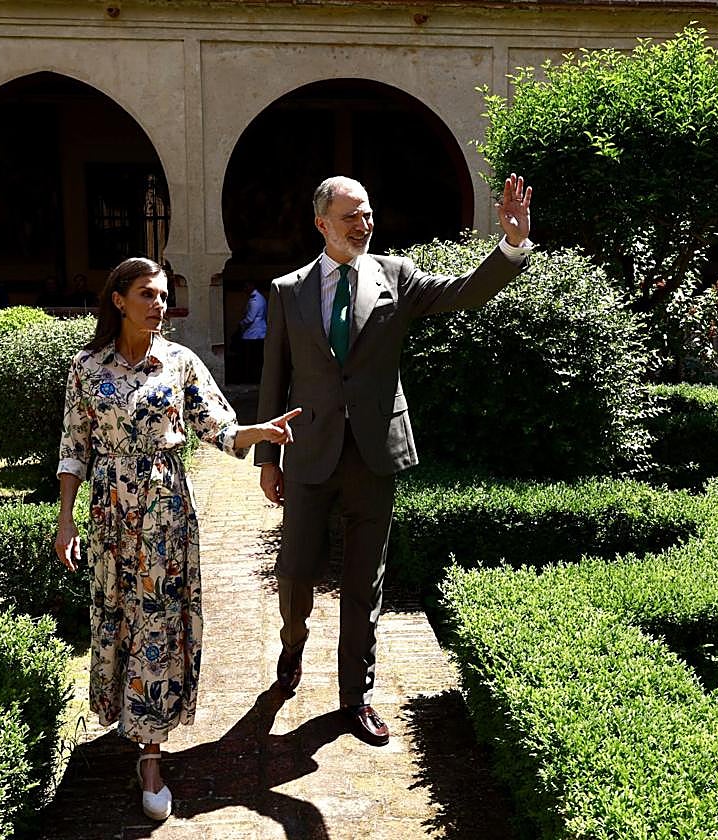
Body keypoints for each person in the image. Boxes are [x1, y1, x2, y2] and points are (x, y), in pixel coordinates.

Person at [254, 174, 533, 747]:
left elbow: (464, 291)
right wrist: (267, 458)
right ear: (322, 224)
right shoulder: (288, 291)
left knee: (364, 582)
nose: (363, 224)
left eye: (368, 213)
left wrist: (510, 245)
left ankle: (355, 696)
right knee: (295, 571)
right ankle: (292, 643)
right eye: (351, 215)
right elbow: (274, 378)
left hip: (375, 455)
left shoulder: (396, 276)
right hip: (308, 453)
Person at [53, 257, 301, 821]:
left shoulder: (181, 363)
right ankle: (131, 720)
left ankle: (151, 754)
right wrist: (66, 520)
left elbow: (217, 425)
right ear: (118, 299)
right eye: (147, 294)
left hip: (166, 512)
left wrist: (258, 434)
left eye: (163, 295)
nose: (158, 304)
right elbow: (74, 449)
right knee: (119, 614)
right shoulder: (86, 369)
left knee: (161, 622)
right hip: (112, 513)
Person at [236, 280, 268, 382]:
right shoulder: (259, 298)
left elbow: (250, 318)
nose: (244, 289)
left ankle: (250, 378)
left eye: (246, 287)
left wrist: (240, 324)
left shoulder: (255, 300)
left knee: (251, 359)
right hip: (259, 332)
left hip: (253, 333)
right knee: (257, 357)